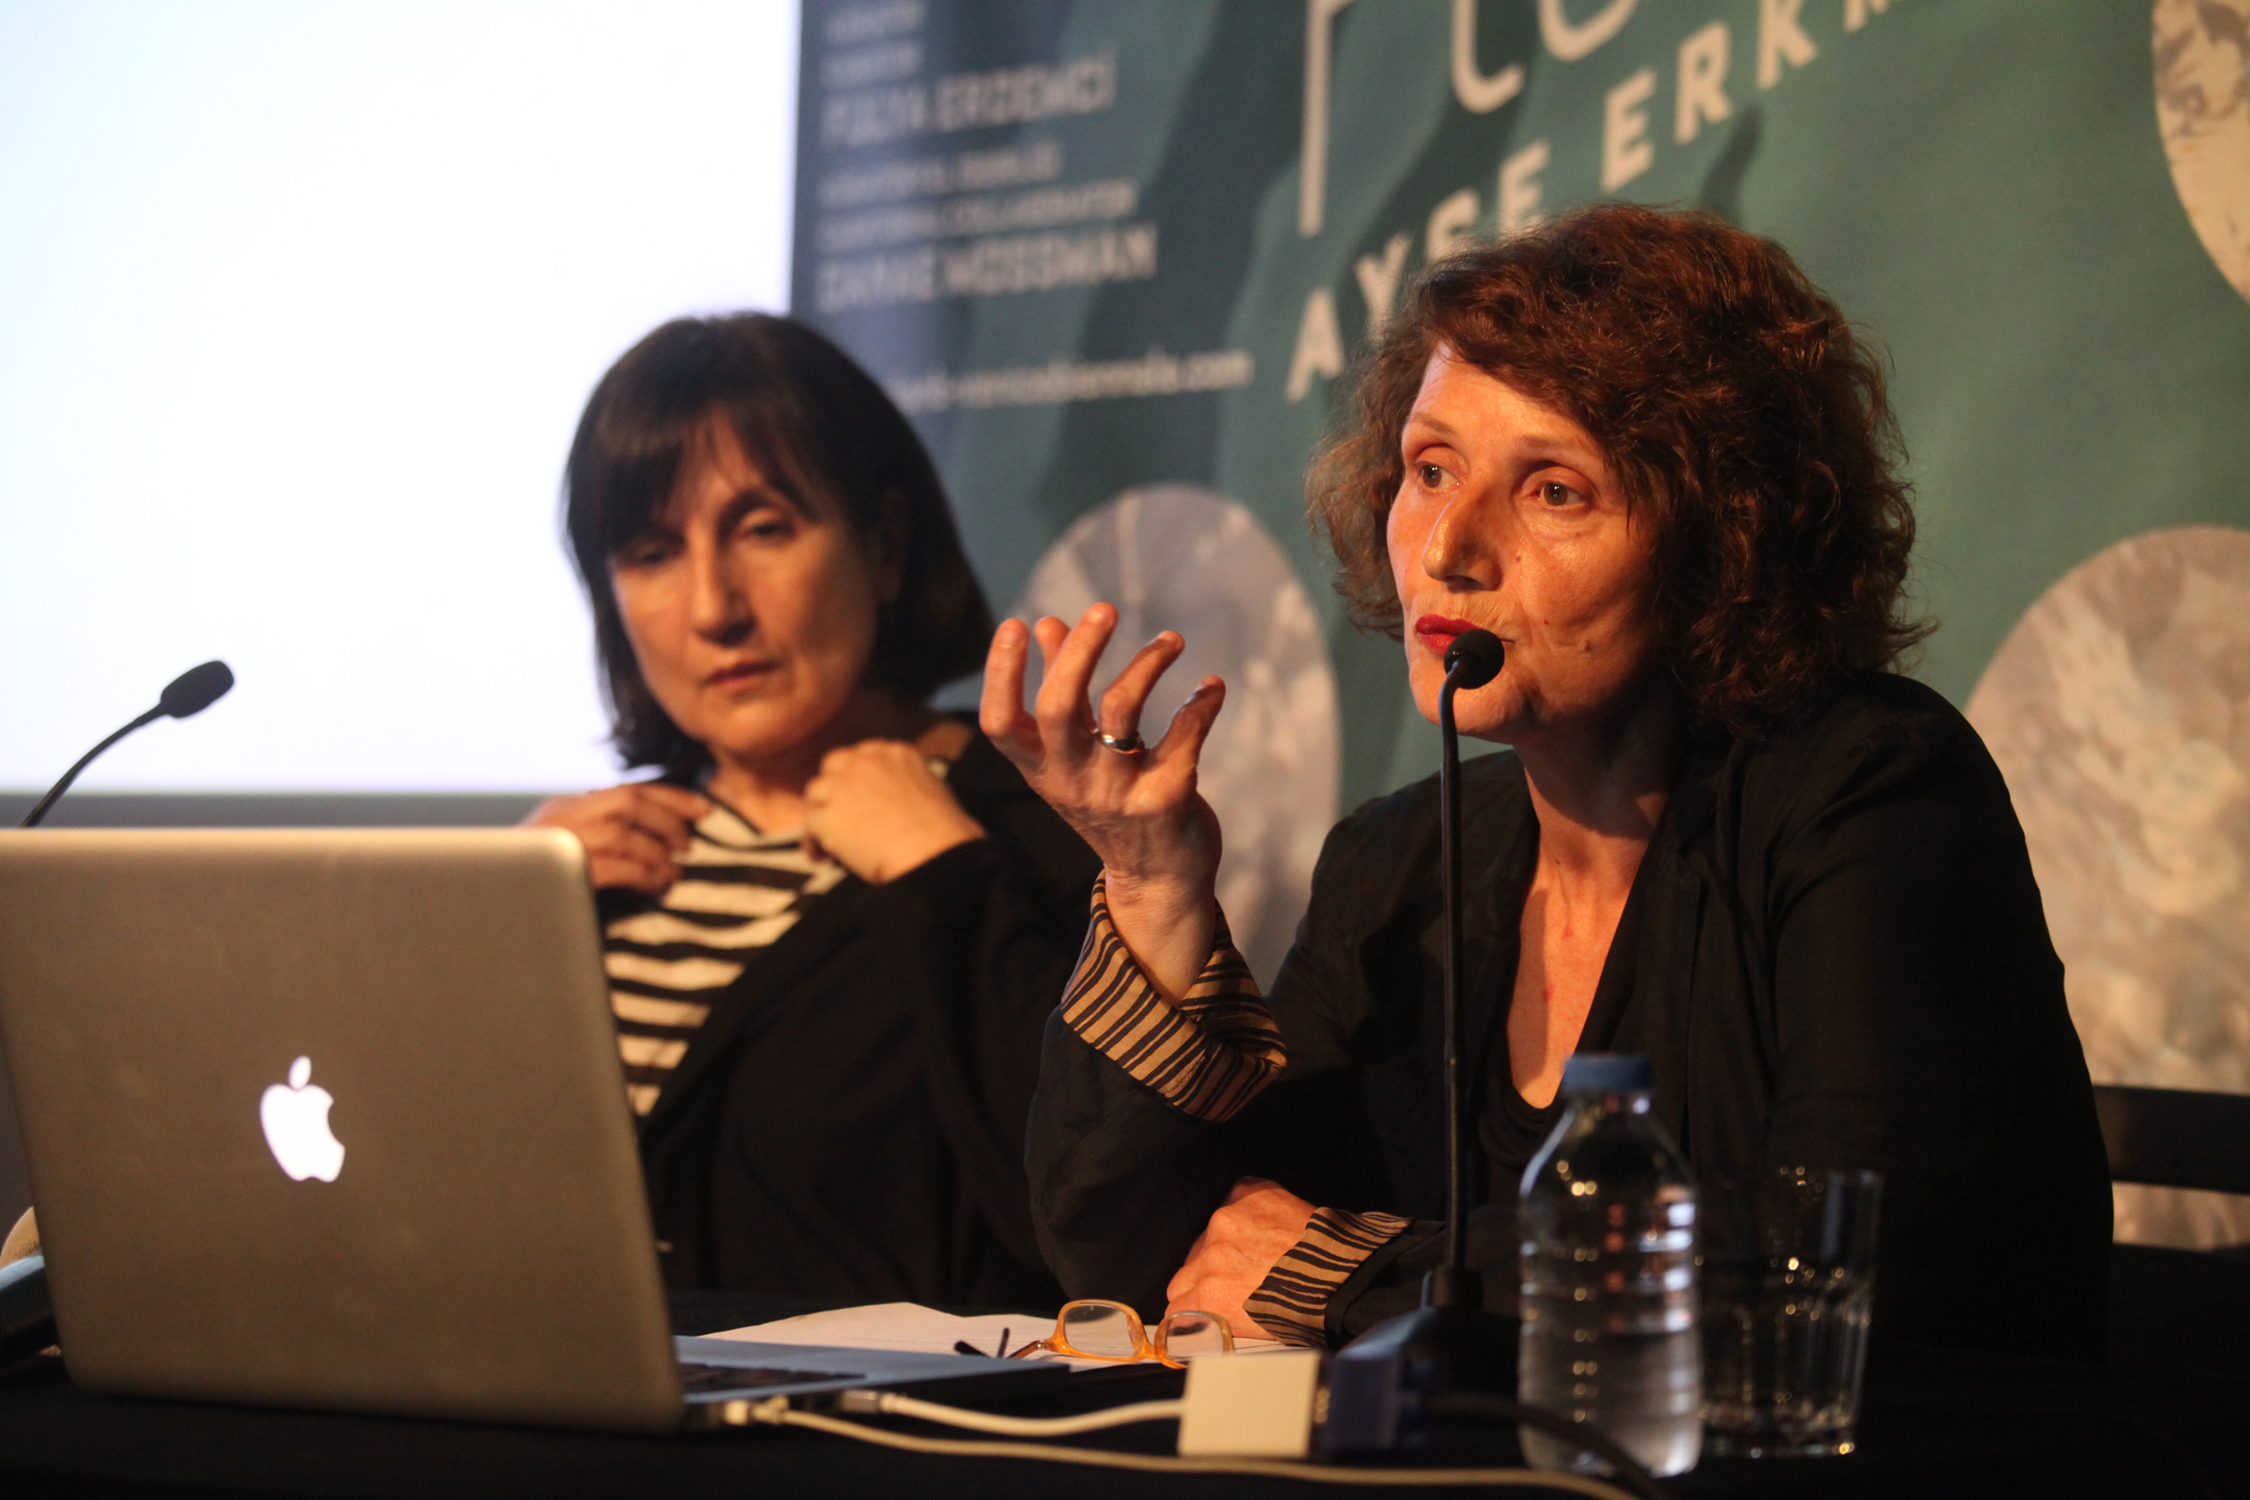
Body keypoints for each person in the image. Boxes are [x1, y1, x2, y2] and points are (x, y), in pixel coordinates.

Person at [986, 205, 2112, 1360]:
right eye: (1431, 469)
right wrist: (1154, 890)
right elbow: (1164, 1264)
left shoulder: (1873, 792)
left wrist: (1358, 1274)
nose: (1448, 547)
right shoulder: (1399, 863)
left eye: (1555, 491)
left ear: (1724, 543)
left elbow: (1837, 1261)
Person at [531, 314, 1097, 1308]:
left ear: (884, 546)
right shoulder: (593, 858)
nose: (714, 608)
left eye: (763, 531)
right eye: (653, 552)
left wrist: (943, 882)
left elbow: (1098, 1213)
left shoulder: (1036, 827)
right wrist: (499, 928)